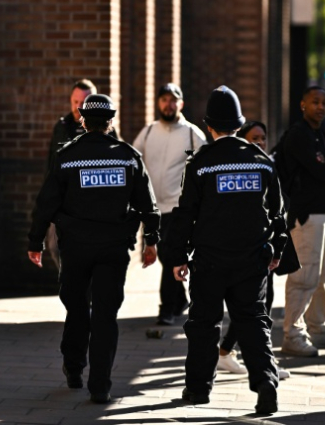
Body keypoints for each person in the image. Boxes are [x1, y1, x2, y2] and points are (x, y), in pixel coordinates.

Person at [27, 94, 161, 404]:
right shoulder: (128, 157)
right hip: (114, 249)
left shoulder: (68, 156)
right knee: (105, 315)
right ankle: (100, 386)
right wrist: (151, 241)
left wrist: (35, 243)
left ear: (83, 121)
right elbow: (147, 204)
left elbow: (46, 203)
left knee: (77, 308)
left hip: (75, 249)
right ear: (111, 122)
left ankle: (74, 368)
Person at [168, 86, 286, 414]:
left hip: (209, 261)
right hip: (251, 259)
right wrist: (277, 249)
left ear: (209, 126)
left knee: (204, 325)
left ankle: (198, 390)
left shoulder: (202, 164)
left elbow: (186, 213)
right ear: (239, 124)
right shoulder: (261, 161)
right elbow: (278, 213)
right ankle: (265, 383)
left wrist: (177, 256)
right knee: (253, 321)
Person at [217, 121, 290, 381]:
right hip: (247, 249)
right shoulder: (244, 167)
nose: (259, 142)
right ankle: (259, 363)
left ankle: (226, 352)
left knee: (259, 306)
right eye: (253, 138)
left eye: (262, 138)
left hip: (266, 247)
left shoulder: (268, 164)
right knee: (255, 308)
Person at [281, 86, 325, 357]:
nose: (320, 107)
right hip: (307, 216)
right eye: (314, 102)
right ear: (302, 105)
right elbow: (322, 171)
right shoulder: (297, 136)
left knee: (322, 275)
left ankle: (319, 327)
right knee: (304, 276)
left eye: (324, 102)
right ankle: (292, 334)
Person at [132, 83, 207, 325]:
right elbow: (133, 160)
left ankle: (166, 309)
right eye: (164, 99)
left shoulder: (191, 134)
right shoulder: (148, 131)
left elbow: (204, 168)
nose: (168, 104)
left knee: (167, 252)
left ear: (181, 104)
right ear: (158, 103)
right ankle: (180, 299)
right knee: (166, 256)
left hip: (178, 207)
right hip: (153, 208)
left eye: (173, 100)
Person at [45, 80, 118, 268]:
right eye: (75, 102)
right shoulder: (62, 127)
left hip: (94, 202)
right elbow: (51, 165)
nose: (78, 107)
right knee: (54, 246)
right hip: (63, 202)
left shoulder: (107, 129)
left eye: (83, 102)